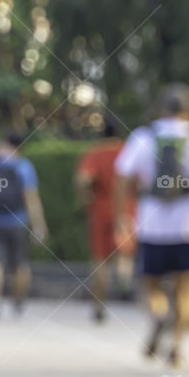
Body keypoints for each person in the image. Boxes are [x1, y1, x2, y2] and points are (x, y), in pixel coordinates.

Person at [114, 83, 189, 367]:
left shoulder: (142, 138)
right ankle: (177, 348)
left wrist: (121, 216)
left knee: (150, 285)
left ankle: (157, 315)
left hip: (152, 224)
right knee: (185, 289)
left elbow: (121, 178)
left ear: (159, 108)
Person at [75, 120, 136, 323]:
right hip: (127, 207)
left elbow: (83, 179)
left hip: (100, 208)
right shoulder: (129, 151)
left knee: (100, 259)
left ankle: (99, 305)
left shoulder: (95, 152)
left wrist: (85, 200)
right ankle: (124, 277)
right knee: (124, 251)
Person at [0, 132, 47, 318]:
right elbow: (31, 198)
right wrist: (39, 224)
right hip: (18, 221)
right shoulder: (24, 166)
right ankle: (18, 302)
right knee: (20, 263)